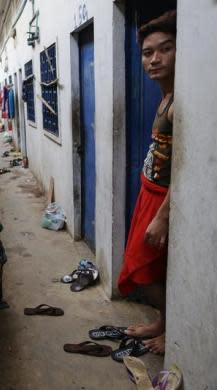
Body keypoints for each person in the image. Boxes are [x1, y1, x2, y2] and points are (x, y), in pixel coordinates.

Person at [117, 10, 177, 355]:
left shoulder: (178, 103)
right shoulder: (164, 96)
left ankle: (172, 327)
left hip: (162, 201)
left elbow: (188, 167)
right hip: (148, 192)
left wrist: (163, 215)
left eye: (165, 49)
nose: (154, 59)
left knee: (151, 269)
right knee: (149, 265)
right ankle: (163, 321)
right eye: (147, 52)